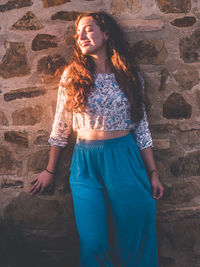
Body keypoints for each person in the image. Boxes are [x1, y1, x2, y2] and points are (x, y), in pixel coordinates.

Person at [29, 11, 164, 267]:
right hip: (86, 162)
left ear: (106, 33)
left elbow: (141, 126)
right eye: (78, 31)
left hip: (124, 157)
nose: (81, 36)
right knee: (93, 241)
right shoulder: (72, 75)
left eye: (88, 29)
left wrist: (153, 172)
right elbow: (61, 128)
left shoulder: (130, 75)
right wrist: (50, 170)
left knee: (134, 235)